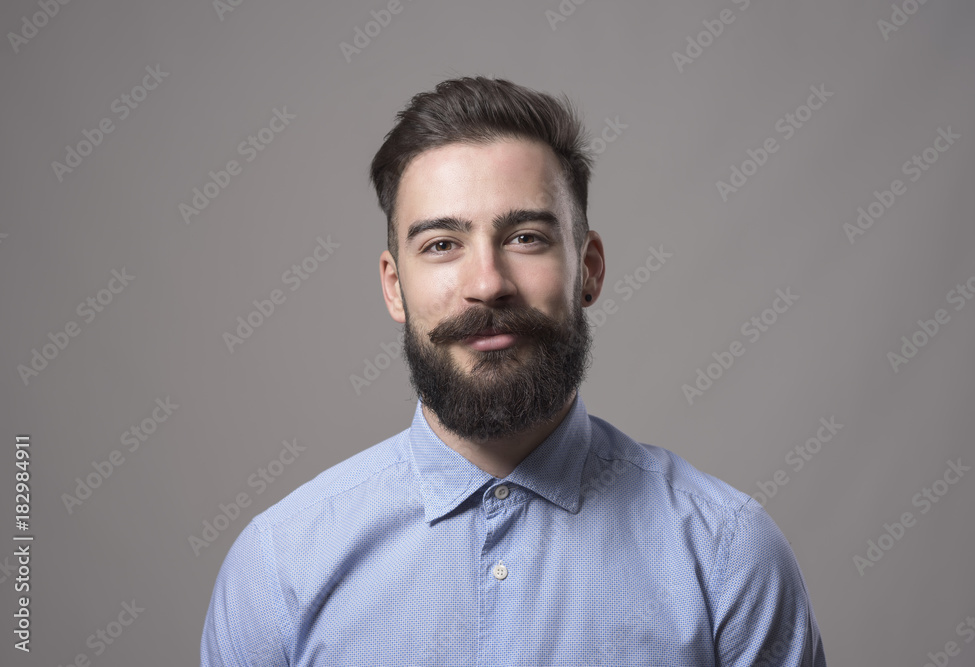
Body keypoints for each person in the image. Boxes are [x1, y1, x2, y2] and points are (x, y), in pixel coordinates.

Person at [201, 76, 826, 666]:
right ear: (395, 288)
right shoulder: (278, 566)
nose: (488, 284)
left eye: (525, 237)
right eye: (442, 244)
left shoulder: (727, 555)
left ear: (591, 269)